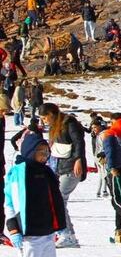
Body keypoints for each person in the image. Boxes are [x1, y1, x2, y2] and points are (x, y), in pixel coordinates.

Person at [5, 133, 67, 257]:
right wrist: (13, 229)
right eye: (40, 151)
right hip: (28, 235)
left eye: (46, 151)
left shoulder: (47, 172)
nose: (44, 155)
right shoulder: (18, 172)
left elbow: (54, 200)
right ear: (30, 152)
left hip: (47, 232)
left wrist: (59, 226)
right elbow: (10, 203)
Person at [40, 104, 86, 248]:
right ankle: (68, 235)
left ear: (51, 114)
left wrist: (79, 159)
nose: (44, 121)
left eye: (44, 117)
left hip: (72, 167)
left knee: (59, 200)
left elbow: (79, 142)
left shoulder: (69, 123)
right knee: (57, 200)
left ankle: (66, 235)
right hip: (60, 166)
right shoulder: (54, 127)